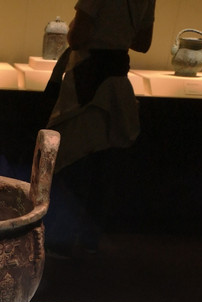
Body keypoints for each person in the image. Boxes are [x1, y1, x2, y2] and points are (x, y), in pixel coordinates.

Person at [45, 0, 156, 255]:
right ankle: (88, 240)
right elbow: (142, 42)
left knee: (72, 161)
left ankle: (61, 242)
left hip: (88, 81)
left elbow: (77, 37)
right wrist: (117, 35)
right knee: (100, 165)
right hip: (115, 80)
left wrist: (93, 31)